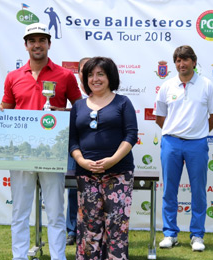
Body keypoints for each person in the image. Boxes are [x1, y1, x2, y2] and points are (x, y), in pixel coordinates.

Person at [1, 23, 82, 260]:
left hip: (53, 151)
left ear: (49, 43)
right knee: (19, 211)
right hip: (21, 152)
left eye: (42, 40)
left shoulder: (65, 75)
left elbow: (79, 109)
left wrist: (61, 111)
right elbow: (6, 110)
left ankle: (58, 256)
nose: (37, 44)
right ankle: (19, 256)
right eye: (32, 40)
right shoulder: (13, 76)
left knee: (56, 210)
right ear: (26, 45)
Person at [69, 56, 138, 259]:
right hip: (86, 174)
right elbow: (72, 141)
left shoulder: (123, 102)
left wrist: (112, 160)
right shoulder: (78, 106)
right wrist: (81, 161)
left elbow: (131, 135)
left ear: (110, 77)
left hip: (118, 173)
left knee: (116, 227)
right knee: (89, 227)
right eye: (90, 75)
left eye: (100, 74)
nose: (95, 79)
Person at [153, 45, 213, 252]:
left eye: (185, 60)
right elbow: (159, 117)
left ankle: (197, 235)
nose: (181, 64)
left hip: (197, 144)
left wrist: (197, 132)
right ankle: (170, 234)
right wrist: (175, 131)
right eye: (178, 60)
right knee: (169, 190)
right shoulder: (167, 86)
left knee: (198, 191)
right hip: (171, 142)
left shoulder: (207, 85)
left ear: (193, 61)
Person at [66, 57, 91, 246]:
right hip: (74, 147)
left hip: (95, 147)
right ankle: (72, 230)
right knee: (73, 189)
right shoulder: (71, 88)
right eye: (85, 69)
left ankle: (91, 230)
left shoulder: (103, 89)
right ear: (79, 72)